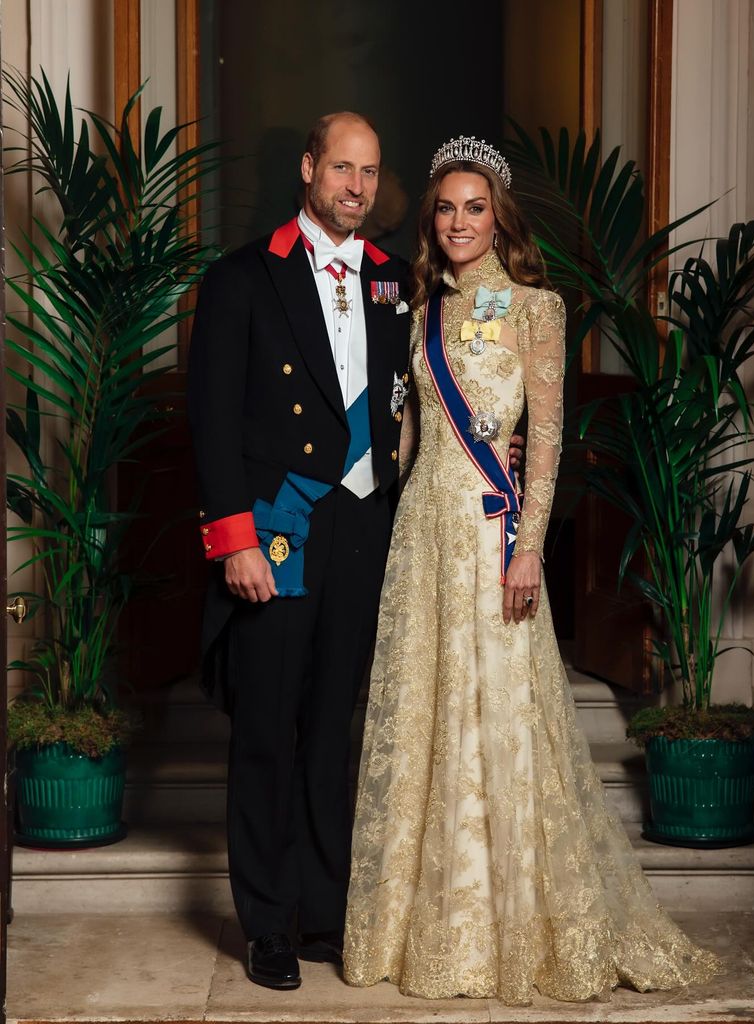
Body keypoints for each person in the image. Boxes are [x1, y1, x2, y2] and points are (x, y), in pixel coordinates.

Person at [342, 137, 723, 1007]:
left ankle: (509, 931)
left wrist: (526, 548)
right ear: (431, 222)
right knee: (424, 711)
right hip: (420, 536)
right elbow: (405, 442)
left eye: (476, 207)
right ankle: (421, 930)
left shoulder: (537, 309)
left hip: (488, 537)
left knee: (500, 712)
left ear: (499, 217)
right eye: (446, 207)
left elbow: (545, 441)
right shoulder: (418, 312)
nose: (460, 222)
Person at [187, 112, 412, 992]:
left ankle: (323, 914)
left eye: (370, 171)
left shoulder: (395, 281)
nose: (356, 186)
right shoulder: (243, 277)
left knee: (331, 731)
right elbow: (211, 421)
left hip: (360, 533)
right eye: (342, 168)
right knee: (267, 736)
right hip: (277, 531)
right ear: (311, 168)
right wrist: (234, 538)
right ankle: (269, 925)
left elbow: (410, 402)